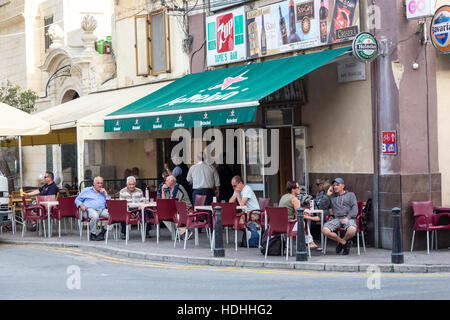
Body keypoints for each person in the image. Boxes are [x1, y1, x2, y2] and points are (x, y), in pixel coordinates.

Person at [279, 181, 322, 251]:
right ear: (293, 189)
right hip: (288, 226)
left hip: (279, 226)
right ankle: (310, 243)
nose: (300, 189)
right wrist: (313, 218)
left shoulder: (283, 196)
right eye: (298, 187)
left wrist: (305, 213)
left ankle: (309, 242)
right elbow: (300, 215)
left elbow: (298, 212)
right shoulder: (294, 199)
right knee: (303, 223)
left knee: (302, 222)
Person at [320, 177, 358, 255]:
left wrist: (348, 218)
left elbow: (355, 208)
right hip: (337, 219)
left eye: (337, 185)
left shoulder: (351, 195)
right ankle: (344, 242)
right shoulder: (332, 197)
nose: (335, 187)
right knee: (324, 230)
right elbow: (322, 207)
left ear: (343, 186)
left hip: (348, 218)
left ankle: (341, 244)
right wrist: (327, 195)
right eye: (334, 185)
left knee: (352, 230)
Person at [75, 176, 111, 241]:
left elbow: (109, 204)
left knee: (114, 215)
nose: (100, 185)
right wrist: (81, 205)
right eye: (98, 183)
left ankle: (102, 232)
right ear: (93, 183)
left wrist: (106, 194)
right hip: (89, 210)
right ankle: (93, 234)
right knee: (95, 215)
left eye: (101, 183)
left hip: (102, 210)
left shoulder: (103, 192)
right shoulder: (87, 190)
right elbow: (77, 199)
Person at [161, 174, 193, 239]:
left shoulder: (178, 188)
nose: (165, 182)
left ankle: (185, 233)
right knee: (164, 217)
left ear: (172, 181)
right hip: (177, 209)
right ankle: (179, 232)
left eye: (167, 181)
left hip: (186, 209)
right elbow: (165, 202)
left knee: (173, 215)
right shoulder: (170, 189)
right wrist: (162, 191)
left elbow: (174, 202)